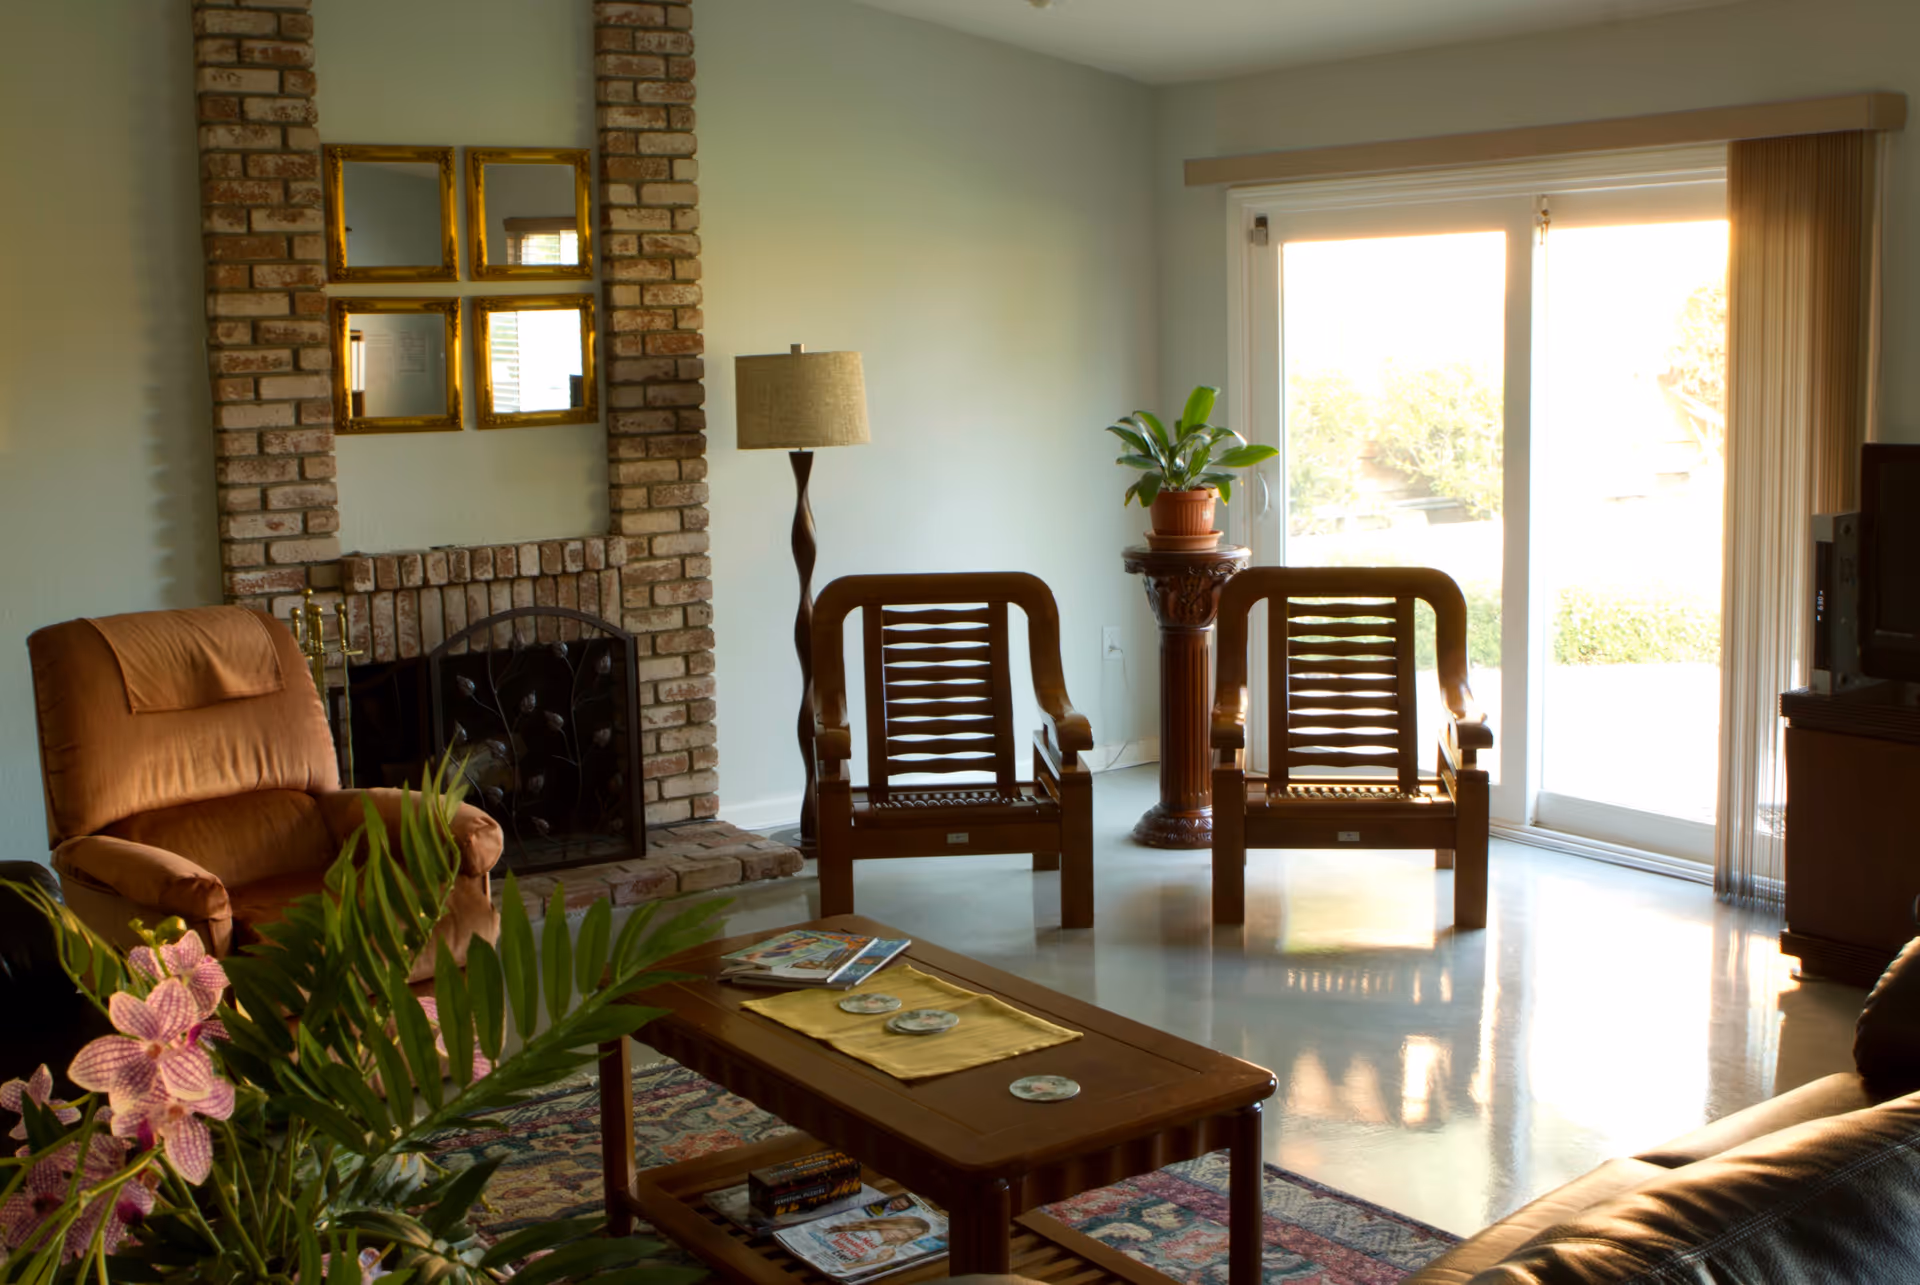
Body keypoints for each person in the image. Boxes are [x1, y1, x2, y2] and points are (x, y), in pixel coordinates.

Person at [819, 1214, 933, 1270]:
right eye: (901, 1230)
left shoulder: (880, 1250)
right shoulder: (858, 1224)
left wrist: (877, 1261)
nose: (899, 1236)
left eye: (907, 1236)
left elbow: (839, 1268)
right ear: (893, 1224)